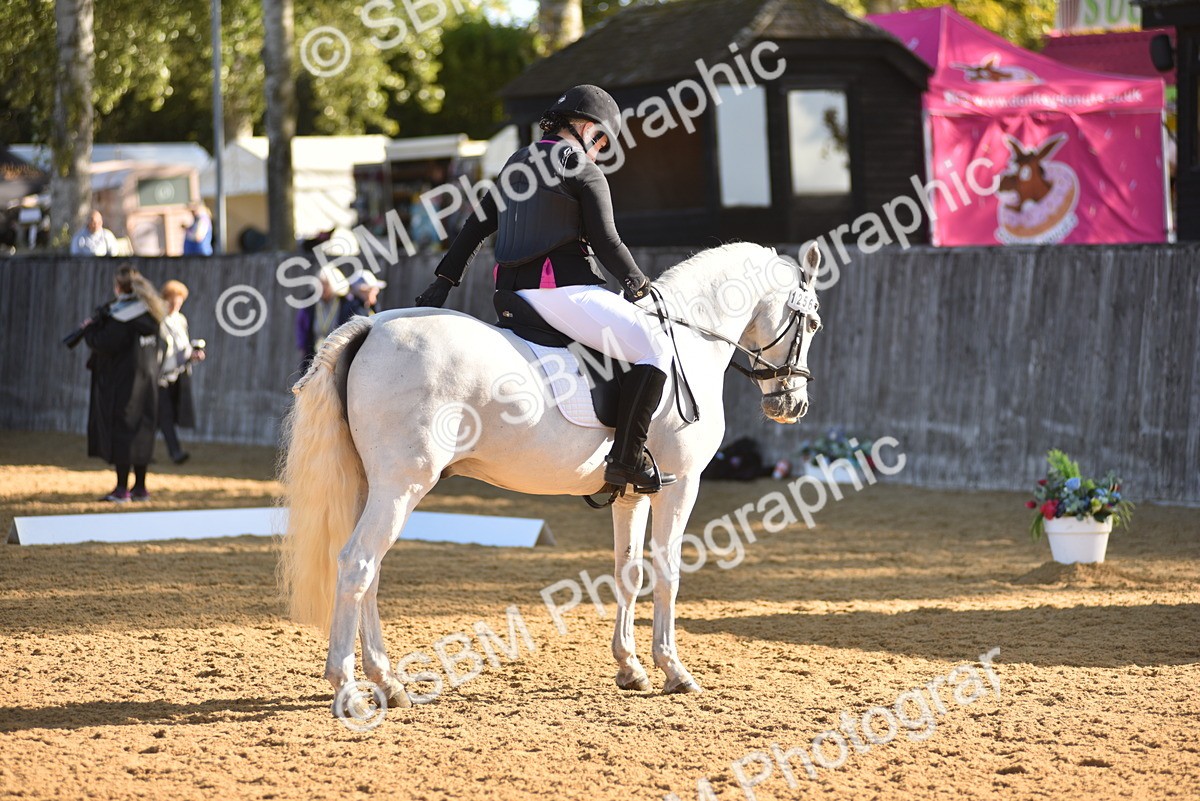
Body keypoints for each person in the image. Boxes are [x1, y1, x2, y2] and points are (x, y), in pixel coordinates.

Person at [414, 85, 676, 492]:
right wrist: (639, 285)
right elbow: (607, 242)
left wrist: (444, 282)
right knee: (656, 346)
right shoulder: (583, 170)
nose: (600, 151)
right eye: (601, 140)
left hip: (509, 297)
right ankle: (627, 459)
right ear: (586, 128)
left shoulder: (515, 164)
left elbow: (476, 226)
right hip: (561, 292)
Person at [81, 264, 167, 502]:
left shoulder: (122, 317)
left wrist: (89, 331)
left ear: (118, 287)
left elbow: (105, 343)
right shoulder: (152, 312)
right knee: (143, 431)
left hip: (123, 383)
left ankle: (121, 489)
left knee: (122, 432)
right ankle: (140, 487)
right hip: (148, 383)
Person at [158, 280, 205, 464]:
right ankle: (175, 452)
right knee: (165, 415)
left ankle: (142, 452)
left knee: (157, 417)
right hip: (160, 375)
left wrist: (192, 355)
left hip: (177, 374)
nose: (175, 305)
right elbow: (165, 350)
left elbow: (182, 346)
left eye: (179, 302)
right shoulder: (159, 319)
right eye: (172, 301)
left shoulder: (180, 320)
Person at [295, 266, 347, 373]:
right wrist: (302, 347)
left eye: (326, 284)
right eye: (320, 284)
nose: (322, 287)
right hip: (313, 355)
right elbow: (301, 327)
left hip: (337, 357)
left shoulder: (345, 304)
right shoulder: (309, 304)